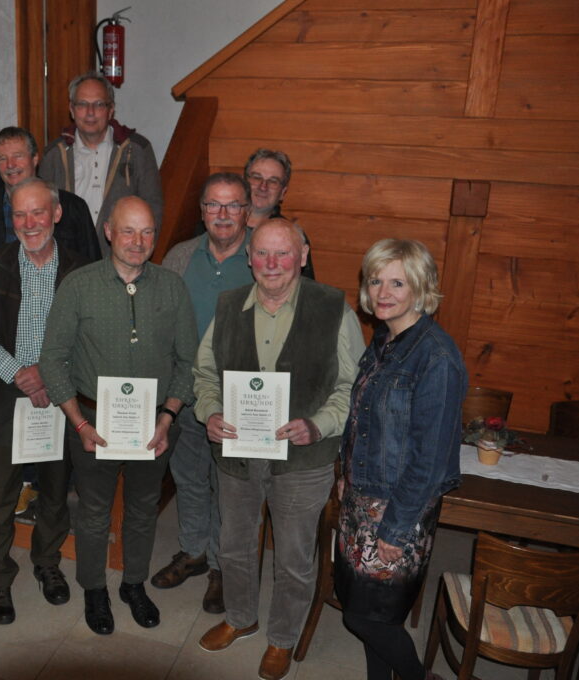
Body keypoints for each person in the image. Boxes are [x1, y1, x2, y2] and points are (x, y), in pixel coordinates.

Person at [193, 219, 365, 680]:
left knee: (293, 557)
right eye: (263, 254)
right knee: (233, 545)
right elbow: (205, 373)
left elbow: (352, 386)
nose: (272, 264)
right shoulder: (228, 307)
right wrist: (209, 412)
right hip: (238, 454)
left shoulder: (334, 309)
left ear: (303, 256)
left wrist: (319, 425)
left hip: (304, 460)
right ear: (249, 258)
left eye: (283, 253)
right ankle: (240, 617)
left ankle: (282, 638)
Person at [39, 196, 198, 636]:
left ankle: (133, 584)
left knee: (144, 509)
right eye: (128, 231)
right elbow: (52, 359)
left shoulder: (171, 287)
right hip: (92, 424)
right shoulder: (78, 284)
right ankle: (94, 588)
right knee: (93, 512)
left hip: (154, 426)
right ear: (108, 231)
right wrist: (80, 423)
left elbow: (188, 361)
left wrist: (167, 418)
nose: (138, 241)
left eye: (147, 232)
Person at [0, 177, 91, 625]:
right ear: (10, 219)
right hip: (5, 397)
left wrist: (49, 377)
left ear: (56, 214)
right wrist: (21, 373)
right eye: (20, 214)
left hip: (60, 401)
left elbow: (88, 339)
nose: (29, 222)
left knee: (55, 491)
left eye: (38, 212)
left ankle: (48, 564)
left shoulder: (80, 270)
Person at [336, 239, 466, 680]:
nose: (383, 292)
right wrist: (345, 473)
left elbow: (428, 461)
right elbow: (362, 419)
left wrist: (395, 525)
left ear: (421, 288)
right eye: (376, 281)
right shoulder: (386, 340)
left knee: (365, 618)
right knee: (371, 613)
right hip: (362, 499)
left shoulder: (436, 356)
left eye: (398, 282)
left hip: (397, 510)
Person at [153, 173, 253, 614]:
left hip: (234, 398)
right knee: (189, 477)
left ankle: (219, 565)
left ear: (247, 211)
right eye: (214, 205)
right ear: (202, 211)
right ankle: (193, 551)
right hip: (184, 393)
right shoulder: (180, 256)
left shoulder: (260, 255)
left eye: (233, 205)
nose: (224, 214)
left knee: (227, 487)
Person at [38, 72, 163, 257]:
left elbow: (154, 209)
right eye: (82, 104)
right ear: (71, 109)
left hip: (121, 261)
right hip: (68, 262)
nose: (90, 112)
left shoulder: (137, 150)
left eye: (99, 104)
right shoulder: (54, 155)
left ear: (111, 109)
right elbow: (41, 213)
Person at [0, 126, 101, 261]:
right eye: (2, 158)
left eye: (18, 156)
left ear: (34, 159)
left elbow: (92, 265)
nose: (10, 165)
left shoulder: (72, 206)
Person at [242, 148, 314, 280]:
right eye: (257, 177)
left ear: (282, 193)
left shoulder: (293, 236)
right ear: (244, 183)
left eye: (273, 181)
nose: (263, 187)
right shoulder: (217, 226)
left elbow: (306, 289)